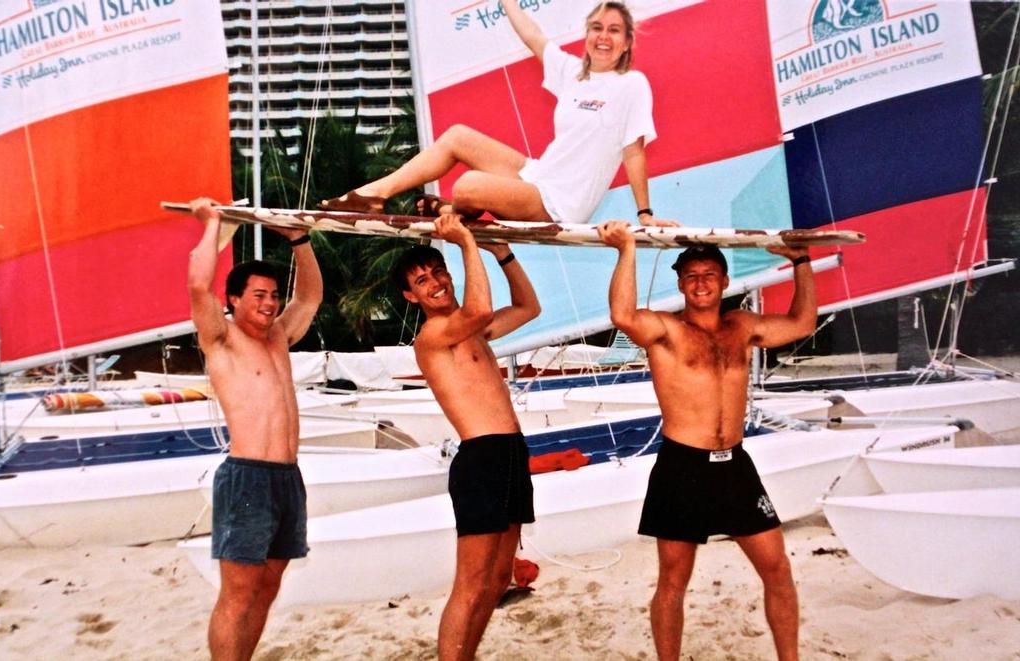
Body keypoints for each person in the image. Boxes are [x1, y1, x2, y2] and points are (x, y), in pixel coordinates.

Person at [598, 220, 816, 661]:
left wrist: (802, 263)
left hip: (734, 466)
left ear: (724, 281)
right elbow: (623, 316)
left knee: (777, 570)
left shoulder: (743, 327)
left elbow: (802, 322)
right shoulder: (667, 332)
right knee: (673, 582)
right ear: (680, 283)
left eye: (709, 275)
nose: (701, 283)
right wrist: (626, 249)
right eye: (692, 276)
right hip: (683, 469)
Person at [322, 1, 672, 226]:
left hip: (560, 203)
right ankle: (372, 195)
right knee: (458, 135)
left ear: (627, 41)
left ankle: (453, 209)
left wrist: (645, 214)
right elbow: (533, 35)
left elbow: (634, 152)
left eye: (614, 30)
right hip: (536, 175)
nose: (603, 37)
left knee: (468, 185)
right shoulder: (571, 73)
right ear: (587, 34)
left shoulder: (632, 85)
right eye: (597, 28)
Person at [392, 213, 541, 660]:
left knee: (497, 580)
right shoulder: (434, 336)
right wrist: (464, 241)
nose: (435, 282)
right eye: (422, 280)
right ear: (411, 296)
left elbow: (530, 307)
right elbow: (477, 309)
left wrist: (503, 253)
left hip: (511, 452)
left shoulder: (473, 330)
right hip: (482, 459)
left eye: (438, 271)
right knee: (471, 583)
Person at [187, 198, 323, 661]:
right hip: (247, 476)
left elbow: (310, 297)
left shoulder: (280, 335)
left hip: (288, 479)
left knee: (267, 588)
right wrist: (212, 224)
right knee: (239, 593)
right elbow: (196, 283)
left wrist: (299, 240)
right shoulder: (221, 338)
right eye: (258, 295)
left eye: (272, 295)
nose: (269, 304)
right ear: (235, 300)